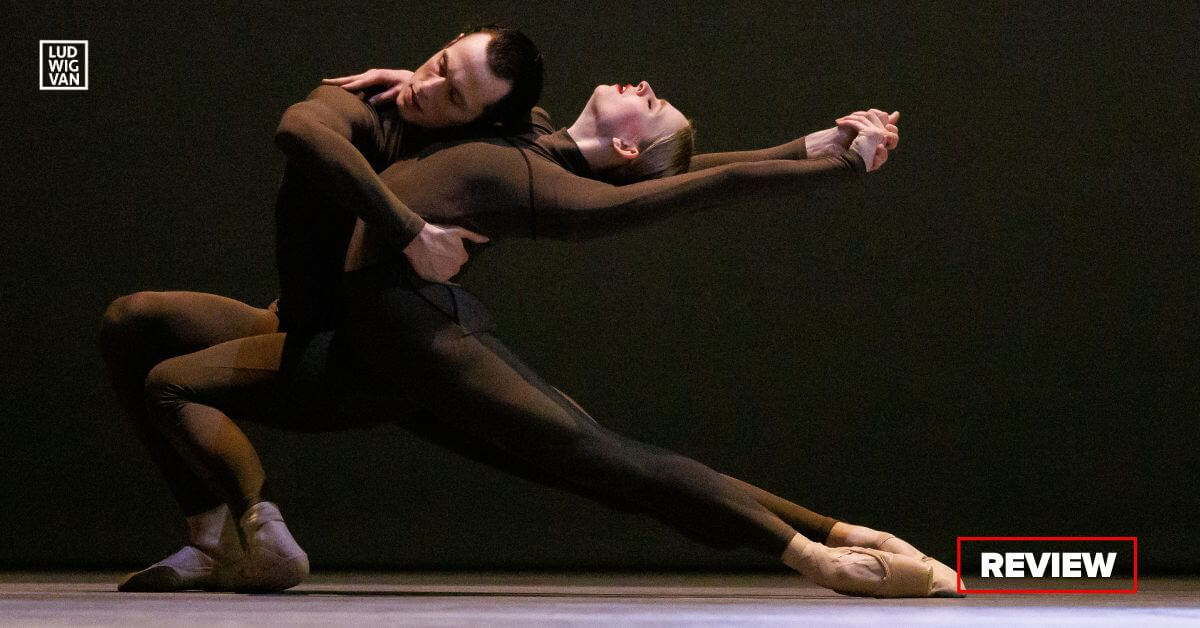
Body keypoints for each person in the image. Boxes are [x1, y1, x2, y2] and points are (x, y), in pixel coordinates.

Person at [115, 64, 960, 598]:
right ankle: (213, 537)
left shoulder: (561, 189)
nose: (645, 85)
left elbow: (702, 184)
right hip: (348, 334)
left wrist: (836, 167)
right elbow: (696, 163)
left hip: (414, 346)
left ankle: (826, 552)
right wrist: (423, 83)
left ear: (626, 152)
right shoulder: (533, 137)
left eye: (654, 105)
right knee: (137, 322)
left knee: (600, 457)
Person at [101, 24, 544, 593]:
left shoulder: (478, 157)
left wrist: (448, 89)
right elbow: (299, 129)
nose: (428, 86)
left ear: (483, 121)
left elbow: (539, 127)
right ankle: (210, 541)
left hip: (359, 361)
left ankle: (262, 532)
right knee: (129, 321)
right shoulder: (366, 106)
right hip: (297, 324)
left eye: (454, 96)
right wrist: (408, 228)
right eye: (440, 63)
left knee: (167, 385)